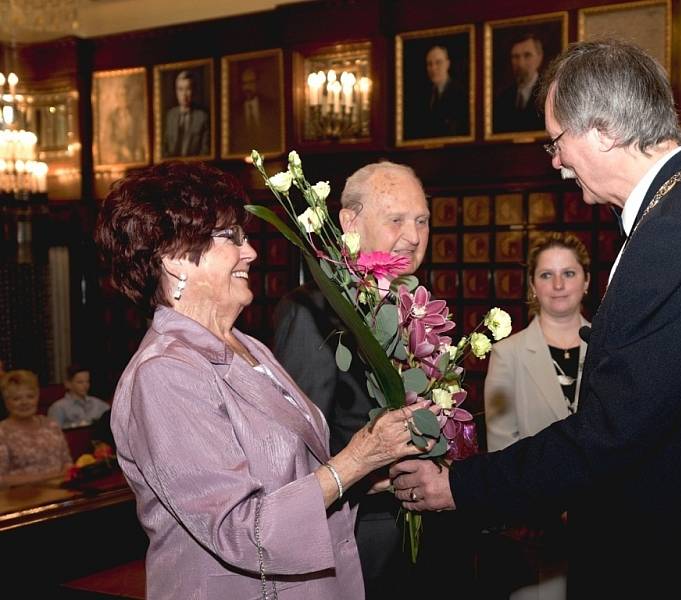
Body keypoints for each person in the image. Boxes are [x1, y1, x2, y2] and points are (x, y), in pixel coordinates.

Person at [391, 39, 681, 598]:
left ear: (602, 130)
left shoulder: (679, 232)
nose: (555, 162)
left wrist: (461, 486)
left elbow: (610, 431)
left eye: (556, 142)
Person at [94, 161, 432, 599]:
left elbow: (291, 479)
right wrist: (357, 460)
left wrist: (366, 476)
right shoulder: (164, 374)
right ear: (175, 259)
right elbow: (239, 530)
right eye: (230, 237)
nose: (250, 251)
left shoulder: (250, 348)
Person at [272, 161, 430, 599]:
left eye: (421, 221)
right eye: (396, 220)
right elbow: (295, 450)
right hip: (355, 541)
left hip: (421, 541)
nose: (414, 236)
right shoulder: (313, 311)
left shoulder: (416, 305)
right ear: (349, 222)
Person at [481, 232, 591, 600]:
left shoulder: (613, 351)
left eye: (569, 273)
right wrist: (540, 513)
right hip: (535, 534)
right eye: (546, 275)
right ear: (532, 284)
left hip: (608, 527)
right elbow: (501, 448)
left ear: (587, 281)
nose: (558, 285)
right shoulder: (507, 353)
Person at [0, 370, 73, 488]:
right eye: (16, 399)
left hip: (62, 494)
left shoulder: (51, 425)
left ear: (37, 396)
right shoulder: (2, 432)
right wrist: (46, 477)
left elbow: (67, 462)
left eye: (30, 396)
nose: (24, 402)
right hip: (19, 500)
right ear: (6, 402)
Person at [407, 45, 468, 139]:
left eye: (438, 63)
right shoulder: (422, 95)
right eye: (429, 64)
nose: (433, 68)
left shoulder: (460, 93)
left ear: (448, 64)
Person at [493, 33, 545, 133]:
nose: (520, 64)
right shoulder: (502, 98)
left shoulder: (549, 95)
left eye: (527, 55)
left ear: (539, 58)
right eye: (515, 57)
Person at [229, 66, 280, 156]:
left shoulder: (270, 107)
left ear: (257, 83)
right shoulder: (234, 111)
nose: (247, 87)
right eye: (244, 83)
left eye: (251, 83)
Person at [162, 70, 210, 157]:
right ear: (176, 91)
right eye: (180, 89)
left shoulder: (202, 117)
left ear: (194, 91)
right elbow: (164, 148)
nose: (184, 94)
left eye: (188, 89)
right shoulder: (170, 116)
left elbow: (205, 150)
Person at [48, 364, 110, 429]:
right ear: (68, 384)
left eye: (87, 381)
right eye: (80, 382)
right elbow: (54, 433)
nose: (85, 385)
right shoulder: (58, 407)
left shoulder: (98, 403)